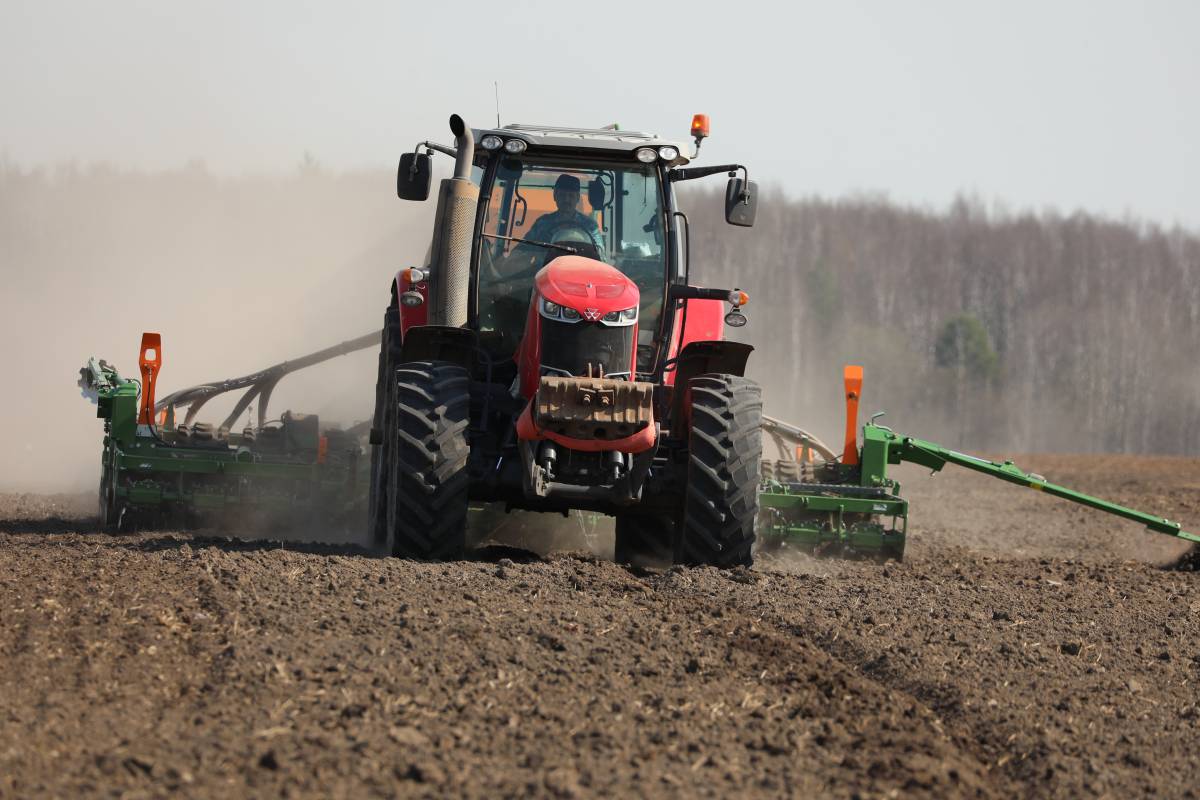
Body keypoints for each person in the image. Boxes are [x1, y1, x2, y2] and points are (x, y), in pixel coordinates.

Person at [519, 173, 605, 261]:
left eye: (571, 196)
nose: (566, 200)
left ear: (578, 197)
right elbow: (522, 251)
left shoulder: (590, 226)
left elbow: (600, 256)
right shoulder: (542, 223)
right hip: (545, 271)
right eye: (562, 195)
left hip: (581, 271)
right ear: (555, 196)